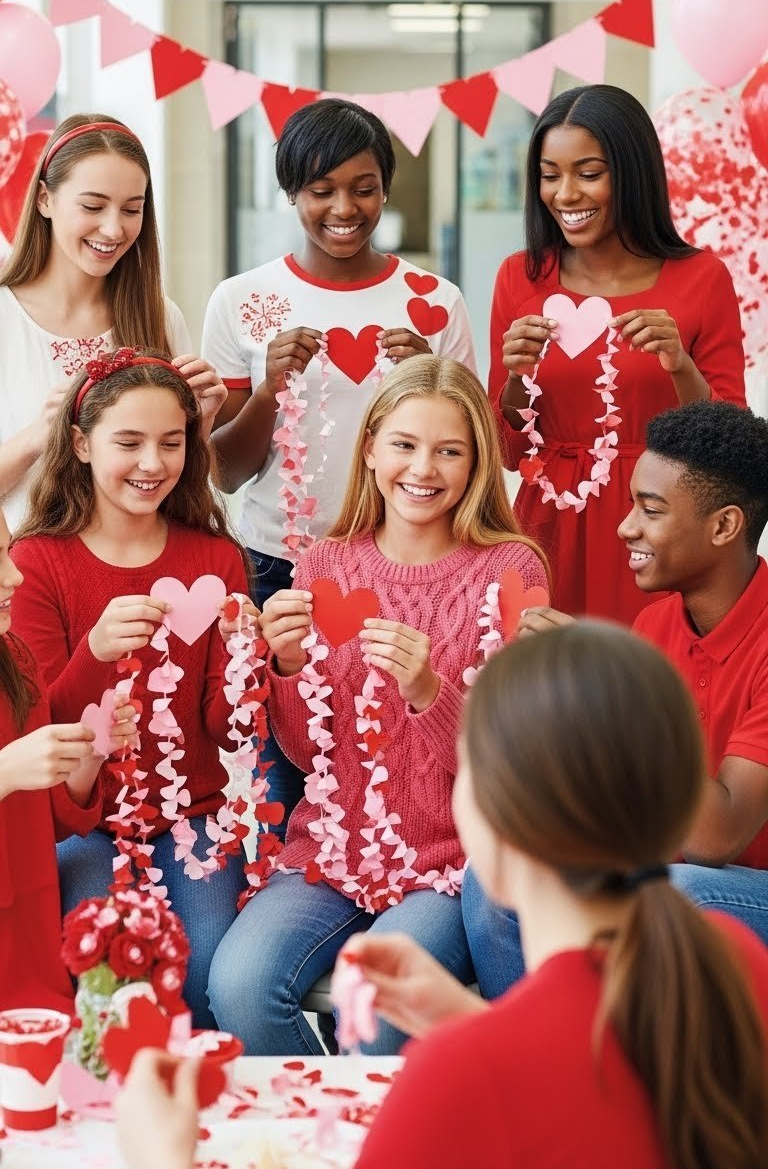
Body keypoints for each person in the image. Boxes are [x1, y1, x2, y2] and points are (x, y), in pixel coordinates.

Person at [116, 626, 768, 1169]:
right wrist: (466, 1017)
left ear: (497, 818)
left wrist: (159, 1160)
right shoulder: (735, 962)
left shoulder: (457, 1078)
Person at [207, 355, 548, 1056]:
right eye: (404, 444)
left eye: (449, 450)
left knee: (379, 1004)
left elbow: (515, 764)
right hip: (328, 855)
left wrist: (431, 691)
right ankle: (325, 1137)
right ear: (370, 448)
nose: (424, 468)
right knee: (238, 984)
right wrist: (289, 667)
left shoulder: (512, 568)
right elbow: (307, 754)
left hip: (449, 864)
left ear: (477, 461)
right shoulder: (325, 563)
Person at [202, 97, 476, 825]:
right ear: (292, 193)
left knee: (401, 749)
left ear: (386, 187)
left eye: (363, 187)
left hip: (407, 562)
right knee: (287, 758)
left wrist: (428, 378)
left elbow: (473, 445)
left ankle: (416, 885)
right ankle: (298, 897)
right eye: (321, 191)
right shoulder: (243, 301)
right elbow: (224, 471)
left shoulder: (434, 303)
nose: (343, 208)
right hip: (279, 567)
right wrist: (268, 389)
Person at [471, 399, 768, 998]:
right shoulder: (655, 625)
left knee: (673, 892)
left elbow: (718, 837)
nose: (625, 527)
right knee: (498, 872)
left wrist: (610, 691)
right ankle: (547, 1053)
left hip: (739, 884)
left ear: (724, 526)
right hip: (658, 858)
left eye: (650, 510)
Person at [9, 351, 252, 1029]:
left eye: (172, 443)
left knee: (203, 966)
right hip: (83, 827)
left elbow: (227, 729)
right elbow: (39, 729)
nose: (152, 462)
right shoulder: (38, 562)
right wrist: (94, 652)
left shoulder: (214, 557)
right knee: (101, 972)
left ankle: (198, 1111)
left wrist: (251, 664)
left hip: (192, 819)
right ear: (82, 444)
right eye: (129, 442)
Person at [489, 83, 746, 626]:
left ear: (632, 172)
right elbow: (509, 453)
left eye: (588, 173)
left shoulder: (702, 279)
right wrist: (516, 379)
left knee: (648, 696)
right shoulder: (520, 276)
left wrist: (680, 365)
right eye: (549, 175)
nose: (565, 194)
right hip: (548, 530)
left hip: (660, 535)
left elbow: (730, 452)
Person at [0, 114, 226, 534]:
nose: (113, 228)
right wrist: (38, 437)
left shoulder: (159, 317)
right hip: (19, 582)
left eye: (131, 210)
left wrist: (200, 427)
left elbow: (186, 491)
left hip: (138, 581)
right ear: (45, 199)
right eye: (92, 206)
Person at [0, 506, 136, 1013]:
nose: (14, 574)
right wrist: (6, 773)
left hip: (31, 956)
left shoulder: (13, 658)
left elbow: (50, 820)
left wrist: (89, 758)